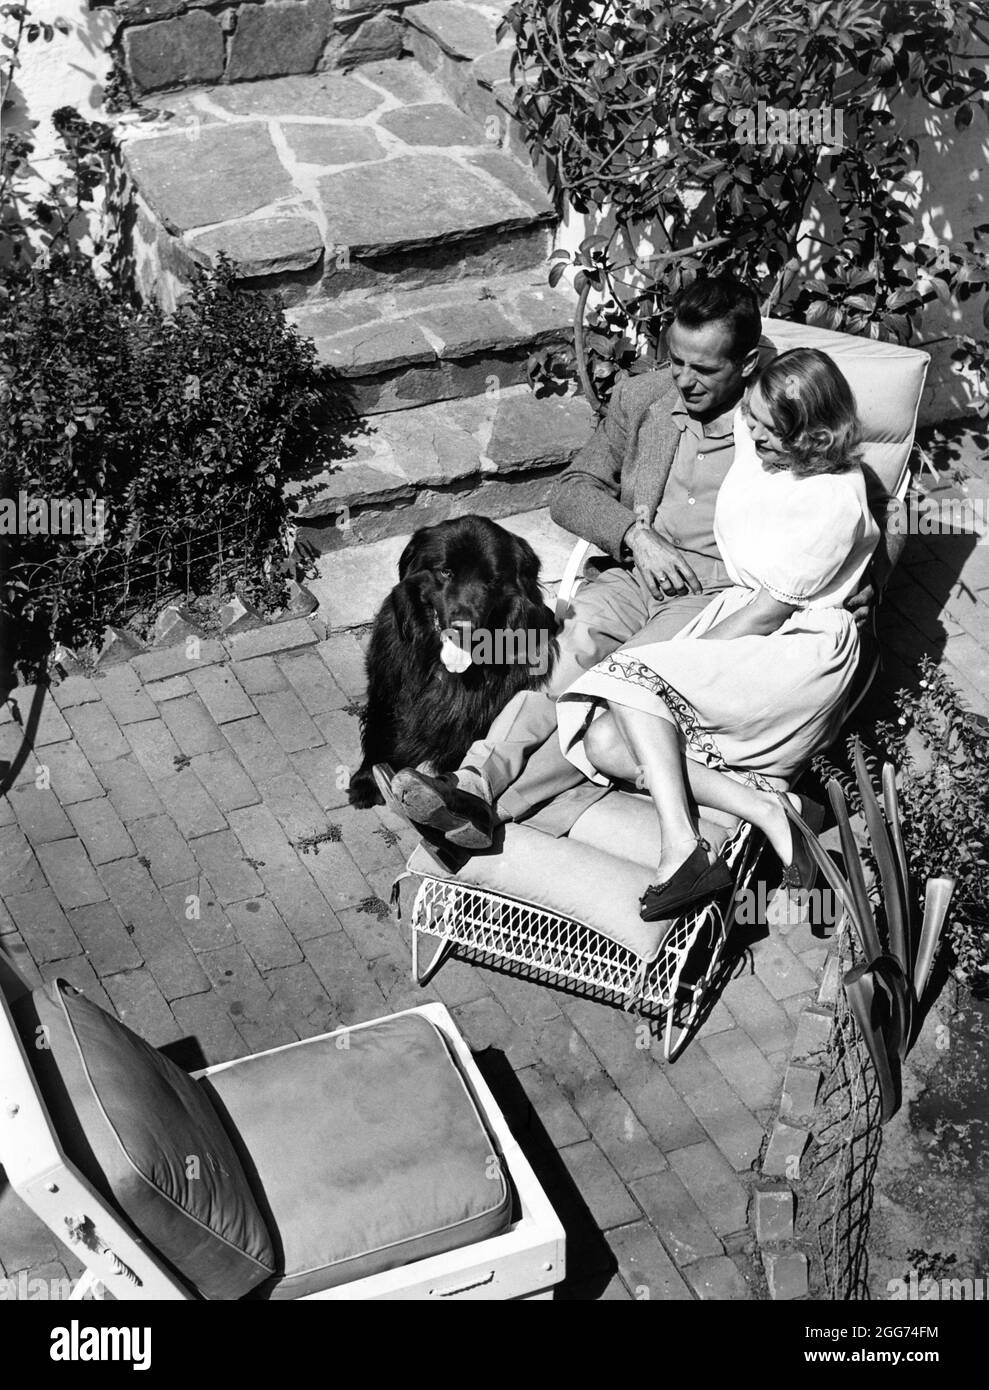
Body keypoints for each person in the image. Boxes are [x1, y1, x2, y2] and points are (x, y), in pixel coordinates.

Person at [379, 276, 905, 850]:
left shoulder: (776, 416)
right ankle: (472, 780)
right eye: (675, 359)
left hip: (715, 596)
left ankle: (486, 809)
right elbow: (571, 490)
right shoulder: (644, 398)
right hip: (635, 573)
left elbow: (877, 507)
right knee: (556, 663)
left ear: (748, 363)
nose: (683, 379)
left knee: (608, 693)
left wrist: (866, 577)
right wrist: (633, 534)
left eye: (704, 369)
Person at [557, 347, 877, 919]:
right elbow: (722, 360)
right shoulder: (766, 441)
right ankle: (773, 813)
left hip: (792, 649)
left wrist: (675, 663)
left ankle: (682, 849)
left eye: (766, 428)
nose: (748, 432)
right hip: (741, 614)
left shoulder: (831, 500)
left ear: (816, 440)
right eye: (748, 417)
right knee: (606, 741)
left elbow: (769, 615)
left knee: (636, 680)